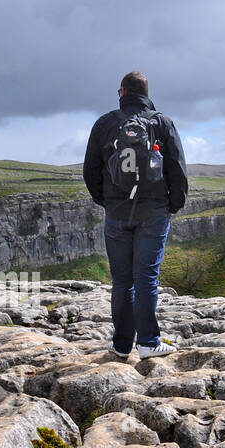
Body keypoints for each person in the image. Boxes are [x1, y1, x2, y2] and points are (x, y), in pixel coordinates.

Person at [83, 71, 188, 358]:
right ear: (147, 94)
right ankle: (149, 343)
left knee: (122, 281)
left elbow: (90, 172)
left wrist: (106, 202)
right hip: (154, 213)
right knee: (146, 278)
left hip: (117, 213)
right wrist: (173, 205)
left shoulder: (105, 124)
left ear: (121, 93)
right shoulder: (162, 123)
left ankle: (120, 346)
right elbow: (177, 169)